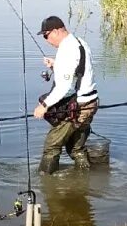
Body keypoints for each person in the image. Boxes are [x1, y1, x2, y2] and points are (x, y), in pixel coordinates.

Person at [33, 16, 99, 174]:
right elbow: (80, 70)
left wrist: (44, 106)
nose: (46, 40)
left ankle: (46, 181)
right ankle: (86, 179)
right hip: (91, 102)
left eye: (46, 35)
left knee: (51, 145)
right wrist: (57, 65)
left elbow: (64, 88)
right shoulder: (79, 42)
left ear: (56, 31)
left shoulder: (66, 49)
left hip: (79, 107)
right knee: (75, 147)